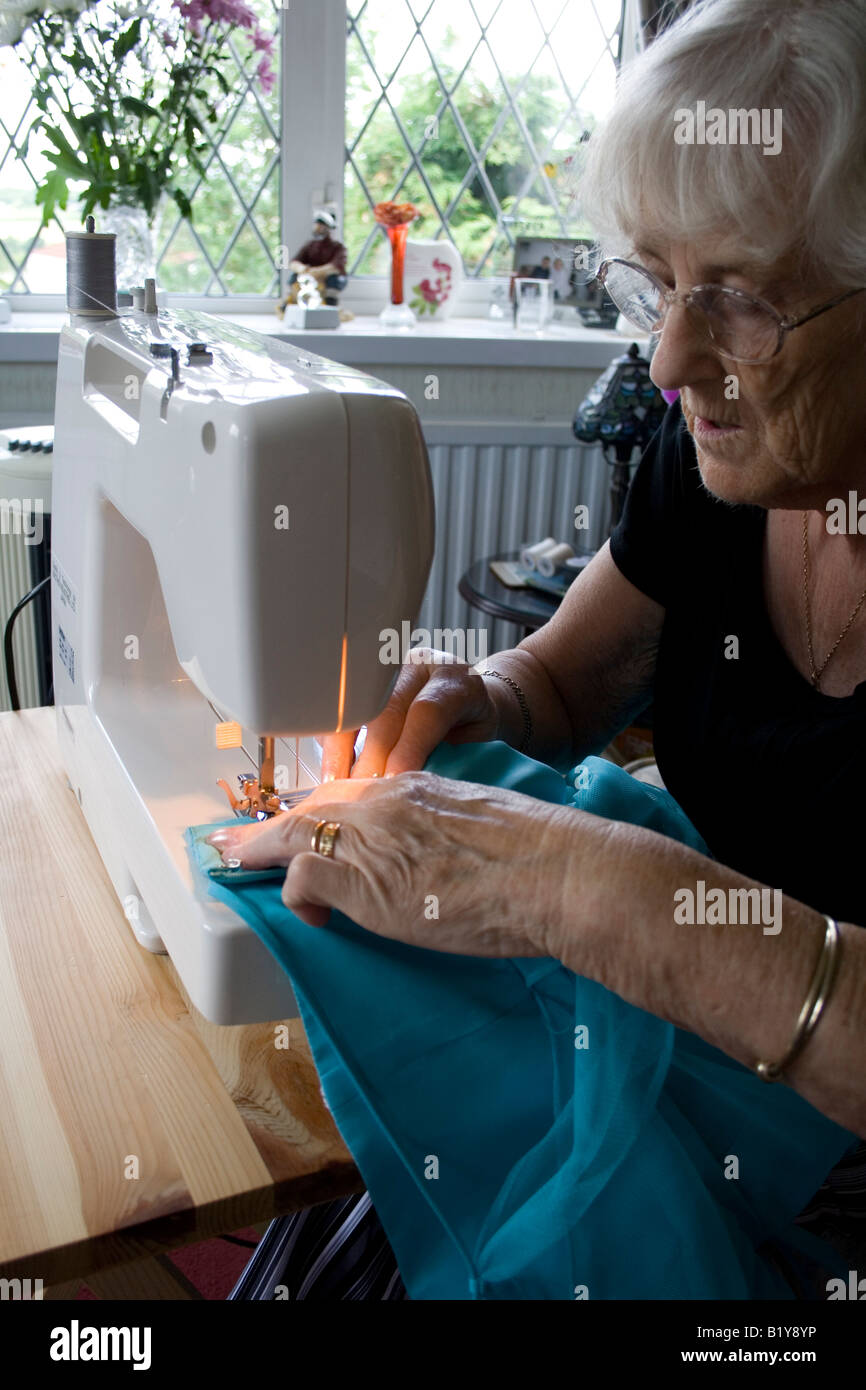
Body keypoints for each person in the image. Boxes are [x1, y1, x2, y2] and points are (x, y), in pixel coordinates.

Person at [219, 0, 866, 1296]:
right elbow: (565, 677)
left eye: (738, 301)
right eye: (657, 284)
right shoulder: (717, 466)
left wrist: (580, 885)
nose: (670, 361)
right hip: (694, 1057)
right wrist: (474, 699)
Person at [284, 210, 347, 306]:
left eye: (321, 226)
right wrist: (303, 269)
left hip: (327, 277)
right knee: (294, 278)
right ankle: (289, 302)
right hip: (310, 277)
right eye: (317, 225)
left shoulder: (338, 247)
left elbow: (336, 266)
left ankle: (330, 303)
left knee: (334, 280)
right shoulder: (310, 245)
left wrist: (318, 271)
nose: (318, 228)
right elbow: (295, 262)